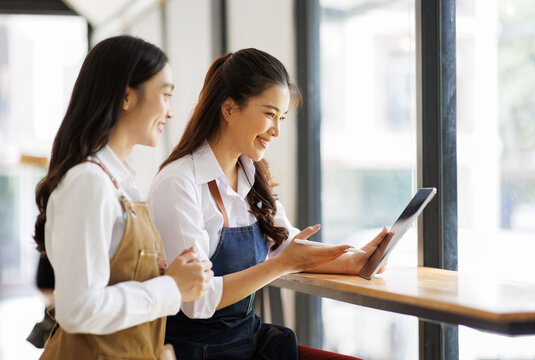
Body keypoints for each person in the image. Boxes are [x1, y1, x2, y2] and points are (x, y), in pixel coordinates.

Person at [148, 48, 391, 360]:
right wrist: (282, 264)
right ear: (229, 108)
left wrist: (353, 258)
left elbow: (284, 244)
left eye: (282, 118)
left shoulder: (251, 176)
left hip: (245, 345)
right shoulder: (179, 183)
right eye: (269, 114)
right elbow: (197, 301)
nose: (276, 131)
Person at [33, 35, 214, 360]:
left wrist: (153, 273)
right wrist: (172, 286)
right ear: (127, 97)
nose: (170, 113)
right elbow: (79, 310)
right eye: (166, 94)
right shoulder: (90, 182)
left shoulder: (116, 179)